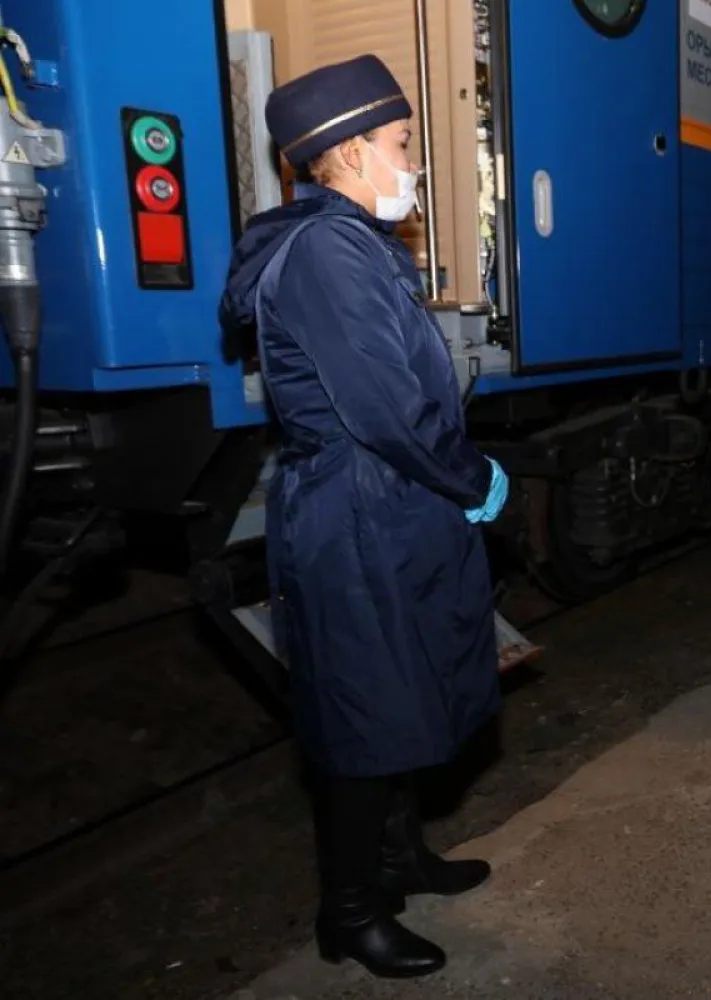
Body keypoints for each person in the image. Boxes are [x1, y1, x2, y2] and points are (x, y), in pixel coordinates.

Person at [219, 55, 510, 979]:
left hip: (384, 504)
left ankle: (401, 859)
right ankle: (349, 912)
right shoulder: (327, 253)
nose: (413, 162)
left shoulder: (349, 241)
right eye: (401, 143)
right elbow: (388, 409)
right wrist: (473, 480)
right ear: (346, 153)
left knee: (404, 690)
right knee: (362, 714)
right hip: (356, 511)